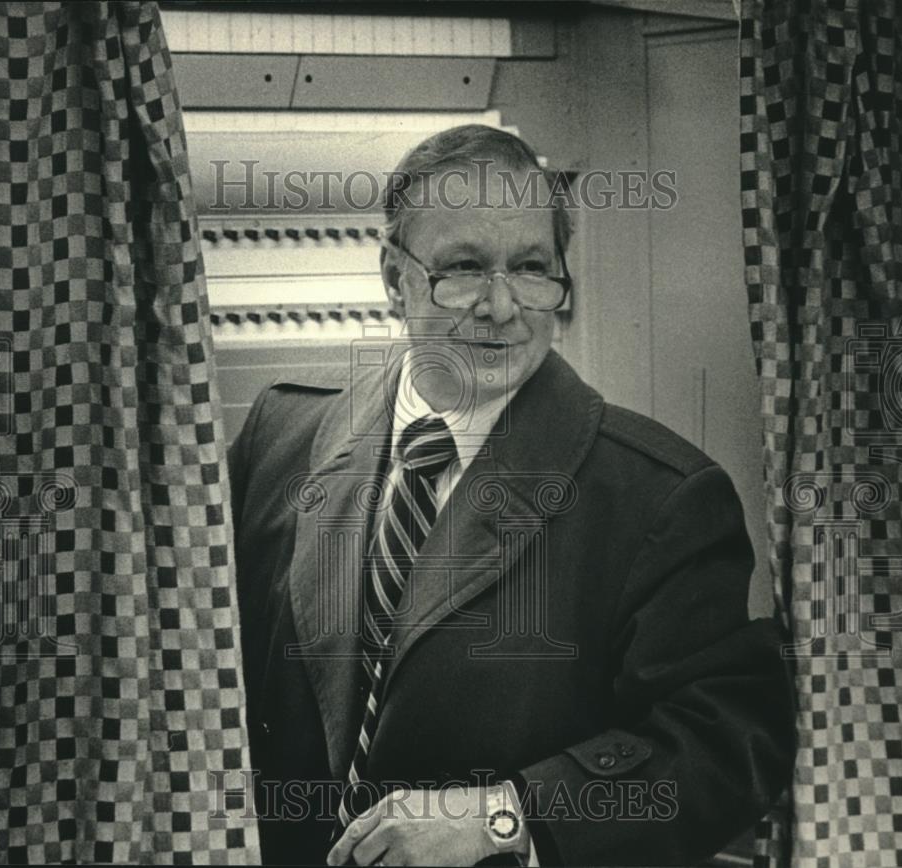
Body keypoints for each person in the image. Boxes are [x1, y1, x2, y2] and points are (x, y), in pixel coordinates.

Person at [228, 124, 795, 866]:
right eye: (464, 268)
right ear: (394, 280)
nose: (502, 307)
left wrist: (508, 817)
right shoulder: (281, 434)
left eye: (531, 267)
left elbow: (728, 744)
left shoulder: (661, 496)